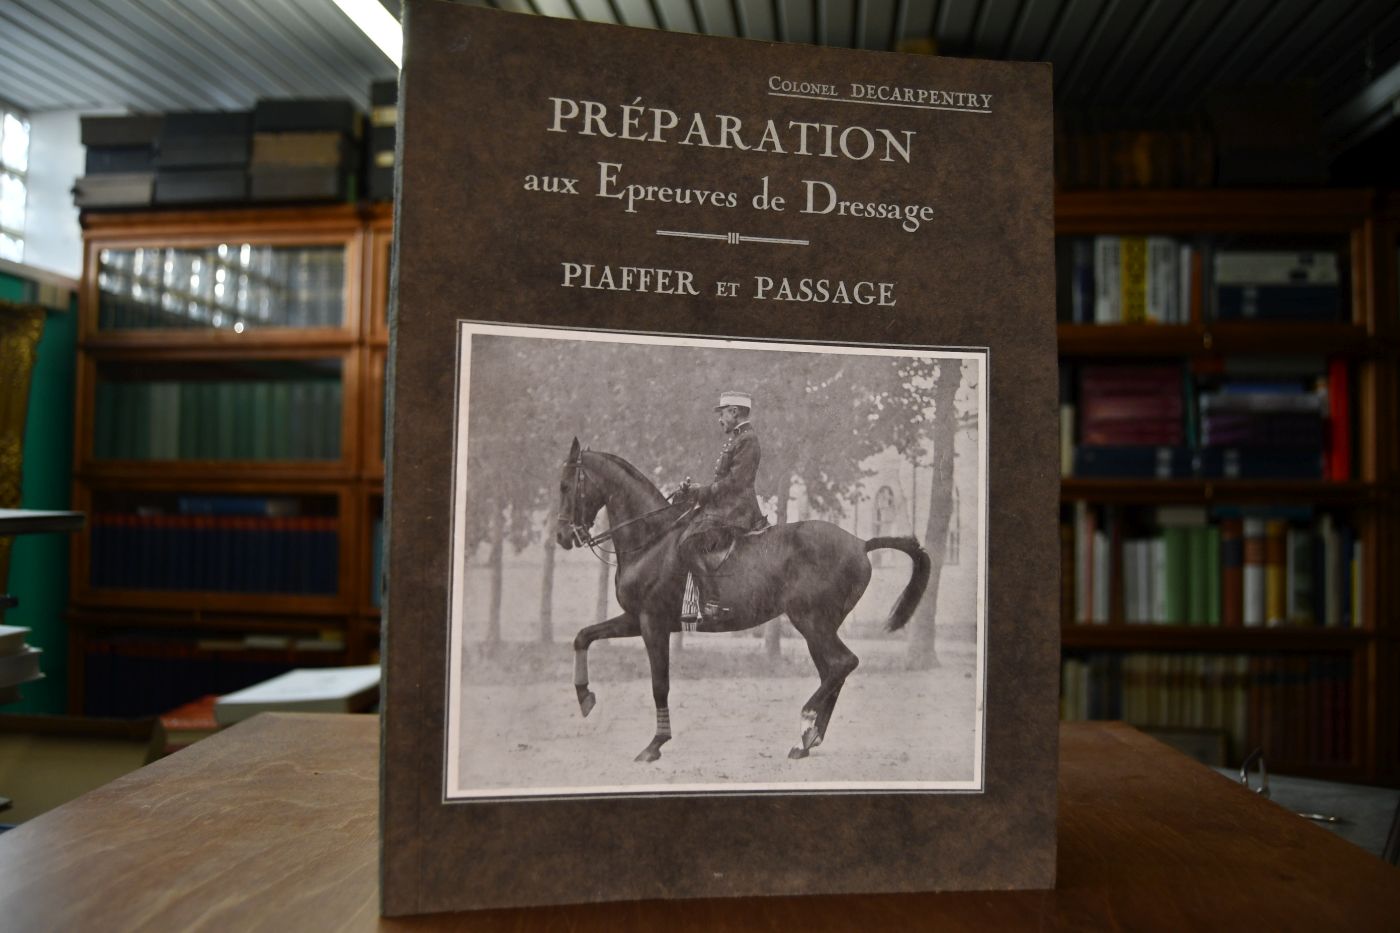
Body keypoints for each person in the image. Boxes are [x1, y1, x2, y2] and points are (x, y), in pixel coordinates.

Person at [677, 390, 767, 621]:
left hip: (736, 513)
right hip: (725, 509)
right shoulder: (739, 439)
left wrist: (703, 492)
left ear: (734, 412)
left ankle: (712, 601)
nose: (720, 419)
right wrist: (697, 490)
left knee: (689, 545)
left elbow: (736, 483)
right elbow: (724, 481)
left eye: (723, 413)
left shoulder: (748, 440)